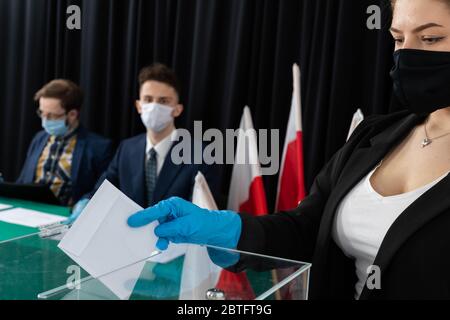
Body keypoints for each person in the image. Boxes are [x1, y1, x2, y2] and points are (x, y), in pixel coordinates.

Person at [127, 0, 450, 300]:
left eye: (431, 38)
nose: (407, 55)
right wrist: (230, 230)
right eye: (397, 39)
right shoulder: (373, 135)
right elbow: (306, 229)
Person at [67, 63, 219, 222]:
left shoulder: (201, 155)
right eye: (148, 99)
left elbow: (202, 215)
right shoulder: (127, 148)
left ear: (178, 109)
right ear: (139, 105)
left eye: (164, 101)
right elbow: (103, 190)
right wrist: (87, 202)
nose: (154, 106)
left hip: (176, 242)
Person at [17, 79, 113, 207]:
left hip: (65, 215)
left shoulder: (98, 147)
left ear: (72, 114)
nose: (44, 121)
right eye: (42, 113)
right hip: (29, 210)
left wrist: (88, 200)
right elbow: (23, 181)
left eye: (51, 116)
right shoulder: (39, 139)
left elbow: (103, 190)